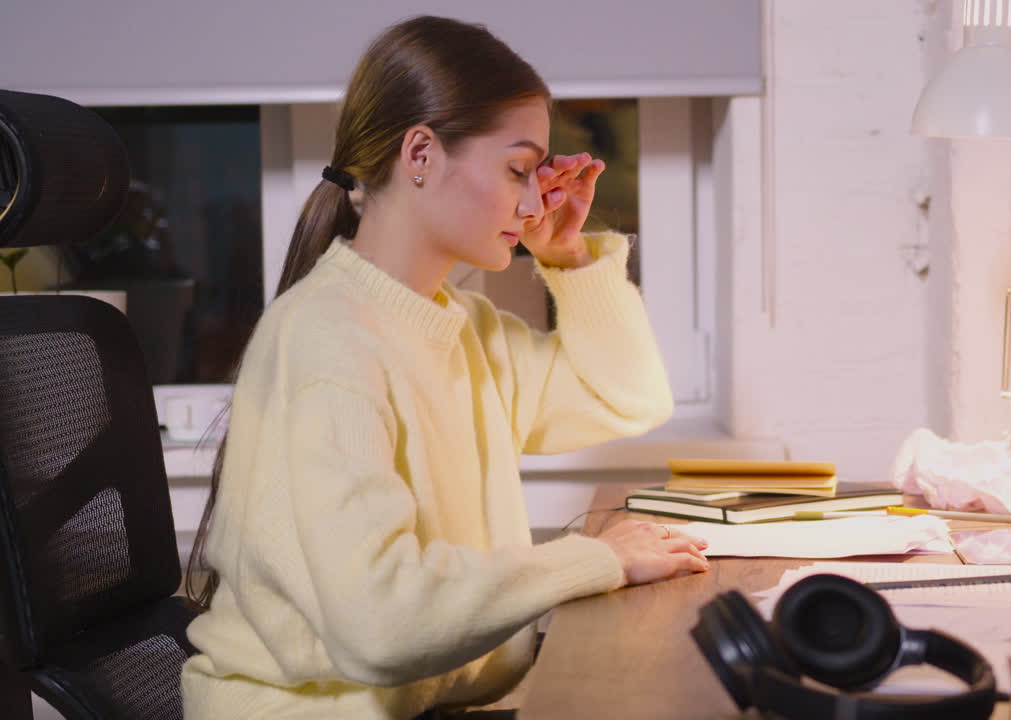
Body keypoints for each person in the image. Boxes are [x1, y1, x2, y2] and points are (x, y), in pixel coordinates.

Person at [180, 15, 709, 720]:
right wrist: (595, 559)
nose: (531, 204)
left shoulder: (460, 323)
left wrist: (569, 261)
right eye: (518, 170)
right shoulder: (326, 338)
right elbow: (380, 622)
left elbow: (628, 400)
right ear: (421, 154)